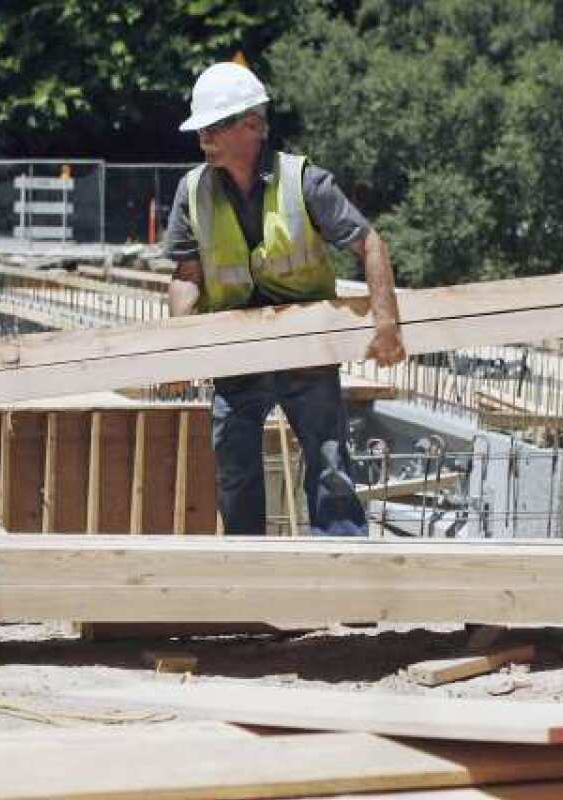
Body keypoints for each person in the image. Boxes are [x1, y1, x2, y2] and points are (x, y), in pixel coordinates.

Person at [163, 61, 406, 536]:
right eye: (201, 128)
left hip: (307, 353)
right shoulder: (192, 190)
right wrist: (178, 345)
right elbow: (186, 275)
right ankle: (249, 574)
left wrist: (386, 323)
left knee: (330, 467)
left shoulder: (305, 182)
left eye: (214, 127)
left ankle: (343, 574)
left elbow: (369, 242)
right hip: (239, 356)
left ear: (252, 126)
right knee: (235, 471)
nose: (203, 138)